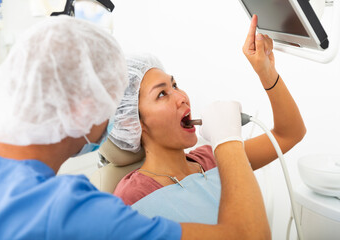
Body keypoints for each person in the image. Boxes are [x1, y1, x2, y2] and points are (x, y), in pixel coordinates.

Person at [0, 15, 271, 239]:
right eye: (109, 97)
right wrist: (228, 140)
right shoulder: (74, 213)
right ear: (83, 107)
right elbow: (248, 236)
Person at [111, 14, 306, 225]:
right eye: (161, 94)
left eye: (174, 85)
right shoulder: (131, 198)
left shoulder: (212, 157)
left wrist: (267, 73)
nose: (181, 97)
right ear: (132, 122)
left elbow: (289, 134)